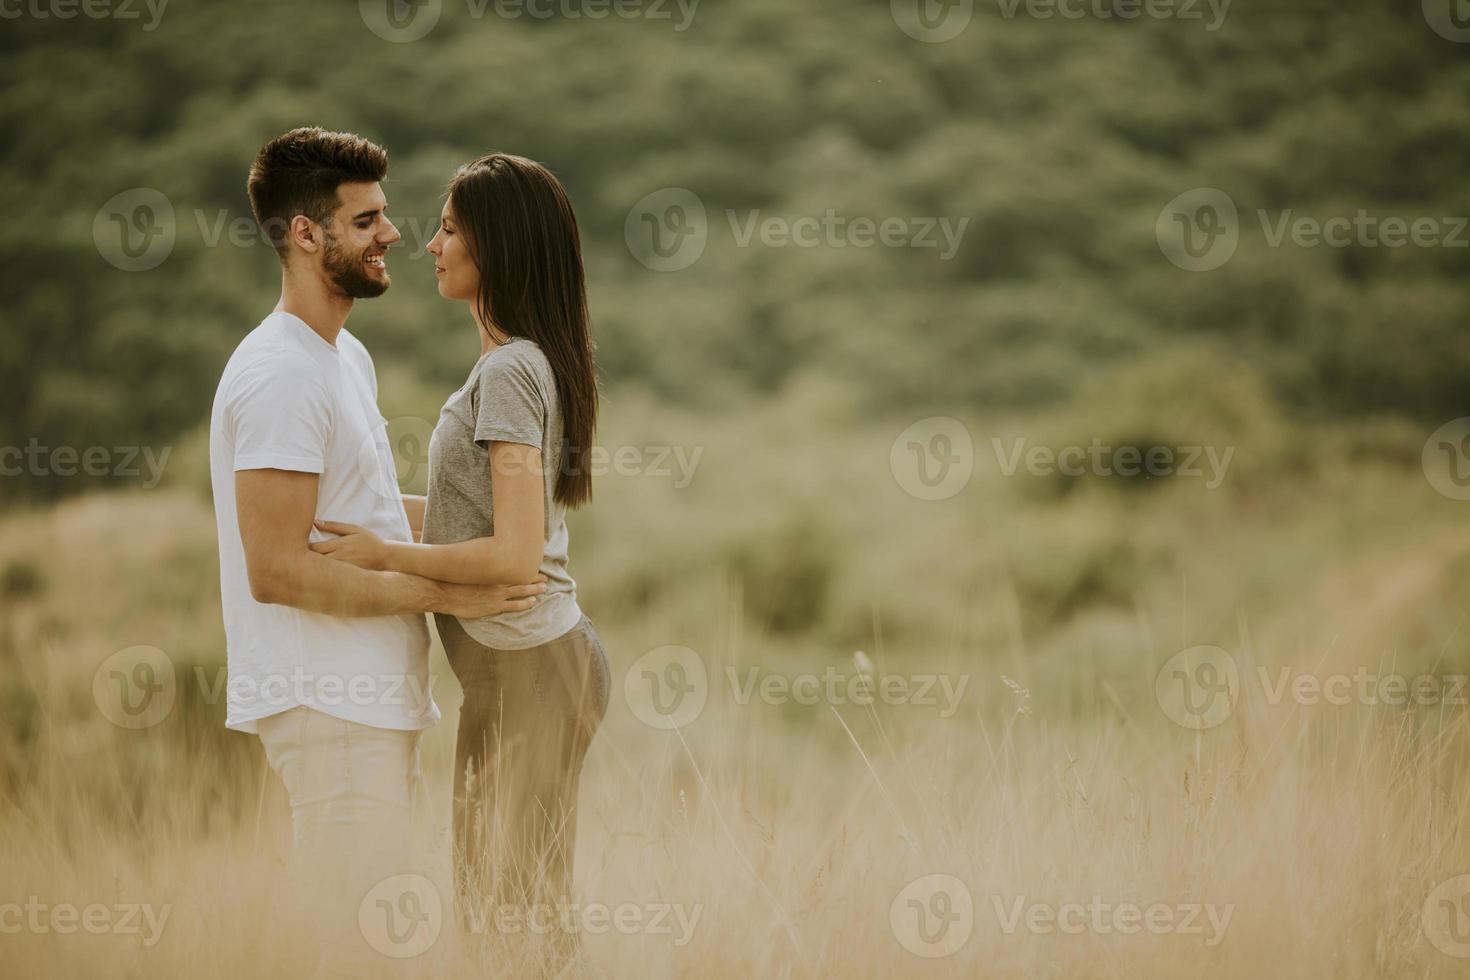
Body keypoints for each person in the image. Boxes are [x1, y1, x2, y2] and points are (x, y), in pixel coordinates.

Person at [208, 128, 548, 964]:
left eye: (386, 216)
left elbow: (360, 514)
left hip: (368, 705)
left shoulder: (341, 357)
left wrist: (515, 538)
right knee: (354, 953)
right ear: (304, 234)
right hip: (330, 706)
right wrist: (448, 591)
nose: (392, 234)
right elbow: (278, 567)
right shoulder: (281, 373)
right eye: (366, 220)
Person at [311, 153, 609, 955]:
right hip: (526, 669)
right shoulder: (514, 359)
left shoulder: (511, 370)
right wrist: (361, 515)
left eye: (448, 230)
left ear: (496, 248)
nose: (430, 246)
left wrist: (386, 555)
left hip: (532, 670)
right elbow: (467, 517)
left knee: (515, 911)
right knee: (504, 902)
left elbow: (513, 557)